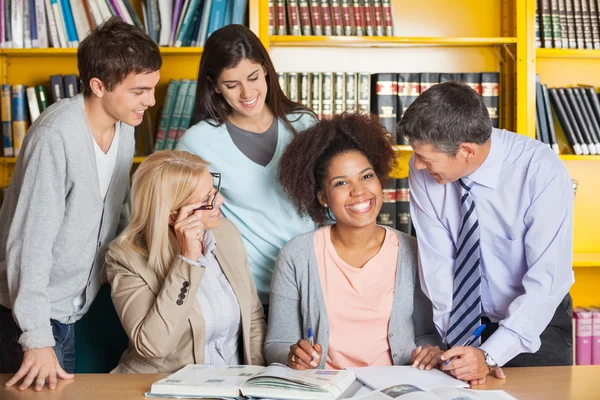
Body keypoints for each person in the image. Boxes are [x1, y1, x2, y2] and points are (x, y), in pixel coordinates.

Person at [0, 17, 161, 391]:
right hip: (29, 318)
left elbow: (116, 211)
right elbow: (29, 243)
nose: (150, 101)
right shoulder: (56, 138)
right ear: (98, 85)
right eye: (139, 90)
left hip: (75, 306)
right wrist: (37, 337)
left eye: (151, 88)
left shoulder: (126, 128)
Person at [398, 82, 574, 385]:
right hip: (463, 320)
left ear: (466, 150)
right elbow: (437, 263)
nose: (418, 165)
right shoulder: (424, 170)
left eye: (426, 158)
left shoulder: (540, 171)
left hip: (535, 322)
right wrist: (457, 343)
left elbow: (547, 280)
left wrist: (491, 355)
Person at [265, 113, 440, 370]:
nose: (358, 191)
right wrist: (293, 356)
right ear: (323, 198)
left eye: (366, 176)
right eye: (341, 182)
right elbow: (277, 343)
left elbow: (427, 334)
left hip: (394, 389)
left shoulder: (411, 250)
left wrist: (428, 352)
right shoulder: (297, 254)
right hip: (327, 392)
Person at [177, 25, 318, 314]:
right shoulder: (197, 141)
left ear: (266, 70)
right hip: (243, 293)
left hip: (312, 284)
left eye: (253, 77)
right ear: (214, 85)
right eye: (232, 85)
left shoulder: (304, 123)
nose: (247, 93)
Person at [106, 150, 266, 373]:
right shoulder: (126, 257)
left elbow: (254, 319)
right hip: (160, 386)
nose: (220, 200)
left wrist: (259, 380)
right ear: (173, 216)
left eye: (214, 190)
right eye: (206, 199)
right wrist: (187, 261)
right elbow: (154, 346)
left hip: (231, 387)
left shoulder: (226, 233)